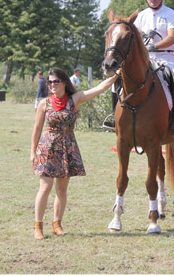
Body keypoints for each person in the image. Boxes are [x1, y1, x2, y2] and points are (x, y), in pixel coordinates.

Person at [30, 68, 121, 240]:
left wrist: (116, 76)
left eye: (55, 81)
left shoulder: (75, 99)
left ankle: (57, 224)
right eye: (49, 82)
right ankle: (38, 226)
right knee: (45, 187)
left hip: (67, 146)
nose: (52, 85)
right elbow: (36, 129)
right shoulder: (44, 103)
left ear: (64, 82)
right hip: (48, 147)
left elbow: (99, 89)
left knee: (62, 190)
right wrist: (32, 152)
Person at [105, 0, 174, 136]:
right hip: (145, 58)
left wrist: (155, 46)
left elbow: (172, 38)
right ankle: (114, 116)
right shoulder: (141, 16)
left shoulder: (170, 14)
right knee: (117, 80)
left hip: (165, 57)